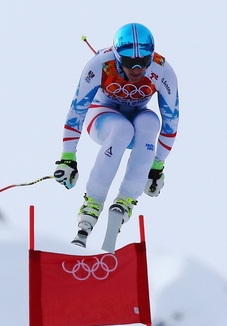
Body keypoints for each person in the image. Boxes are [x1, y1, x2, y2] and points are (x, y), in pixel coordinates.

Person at [54, 23, 180, 247]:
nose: (137, 69)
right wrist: (68, 157)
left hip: (139, 117)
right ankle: (92, 204)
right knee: (122, 128)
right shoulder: (100, 65)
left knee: (151, 121)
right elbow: (77, 111)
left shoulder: (162, 70)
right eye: (130, 62)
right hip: (102, 117)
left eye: (143, 62)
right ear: (117, 56)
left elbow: (171, 121)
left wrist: (158, 165)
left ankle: (126, 200)